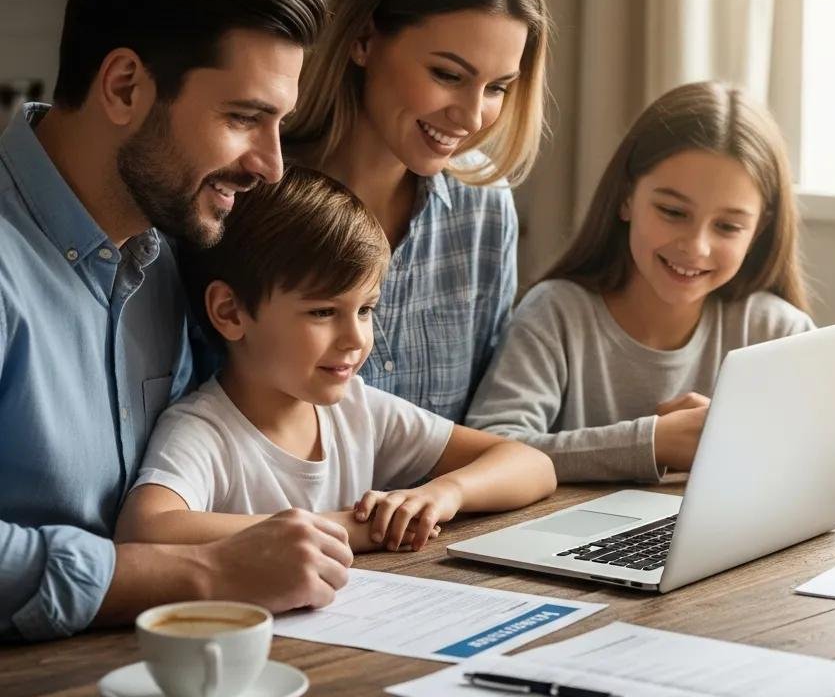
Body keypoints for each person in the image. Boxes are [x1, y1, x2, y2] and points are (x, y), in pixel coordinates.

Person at [0, 0, 354, 644]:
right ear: (125, 86)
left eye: (278, 124)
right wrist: (206, 574)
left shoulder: (178, 248)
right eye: (243, 118)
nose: (271, 164)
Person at [466, 81, 835, 483]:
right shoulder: (557, 314)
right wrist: (652, 442)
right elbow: (489, 447)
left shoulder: (769, 326)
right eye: (673, 213)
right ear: (626, 198)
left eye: (728, 227)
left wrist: (745, 424)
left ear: (759, 230)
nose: (696, 247)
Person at [115, 167, 557, 552]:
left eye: (365, 310)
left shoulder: (359, 412)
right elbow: (146, 529)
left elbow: (531, 464)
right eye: (323, 312)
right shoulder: (204, 431)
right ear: (231, 312)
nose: (355, 338)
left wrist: (446, 493)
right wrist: (348, 529)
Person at [284, 0, 552, 421]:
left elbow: (491, 426)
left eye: (497, 87)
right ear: (363, 39)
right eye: (448, 75)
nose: (473, 117)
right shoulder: (256, 195)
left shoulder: (484, 211)